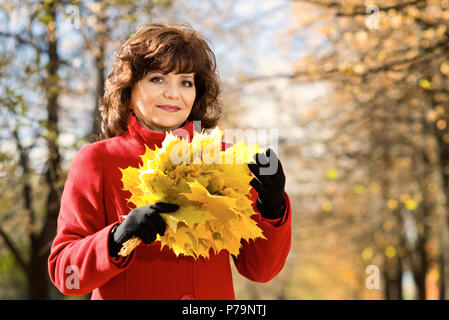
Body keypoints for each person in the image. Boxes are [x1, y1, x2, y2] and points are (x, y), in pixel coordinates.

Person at [48, 22, 292, 300]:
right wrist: (116, 238)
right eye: (157, 79)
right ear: (128, 90)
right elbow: (65, 274)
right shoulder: (97, 160)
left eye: (185, 82)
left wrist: (272, 208)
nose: (173, 93)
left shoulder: (225, 157)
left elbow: (260, 271)